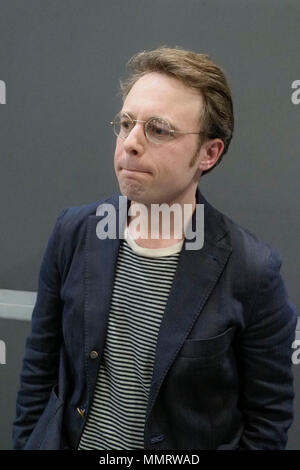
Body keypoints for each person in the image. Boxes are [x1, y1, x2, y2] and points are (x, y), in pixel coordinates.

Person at [12, 46, 297, 450]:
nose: (130, 143)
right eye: (126, 123)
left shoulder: (252, 269)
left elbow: (268, 421)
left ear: (209, 153)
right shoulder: (74, 232)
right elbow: (39, 373)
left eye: (159, 130)